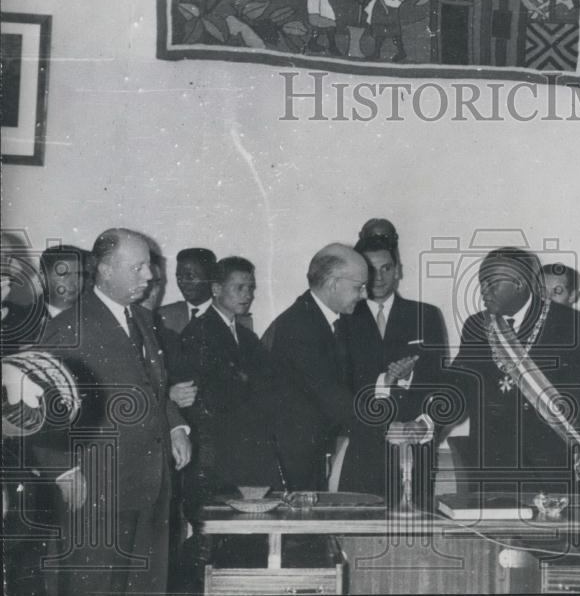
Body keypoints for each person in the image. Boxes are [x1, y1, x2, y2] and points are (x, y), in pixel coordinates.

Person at [29, 228, 191, 595]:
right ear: (104, 270)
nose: (149, 277)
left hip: (149, 485)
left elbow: (153, 387)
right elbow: (34, 405)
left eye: (148, 266)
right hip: (97, 490)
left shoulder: (142, 319)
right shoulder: (70, 328)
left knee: (145, 587)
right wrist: (63, 470)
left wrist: (176, 427)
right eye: (137, 268)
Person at [448, 247, 580, 497]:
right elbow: (458, 385)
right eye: (482, 283)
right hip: (494, 466)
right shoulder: (477, 326)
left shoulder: (570, 323)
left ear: (519, 284)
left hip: (552, 467)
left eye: (491, 283)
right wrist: (427, 419)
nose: (483, 290)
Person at [174, 256, 283, 590]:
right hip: (215, 459)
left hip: (242, 456)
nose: (247, 294)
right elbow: (210, 402)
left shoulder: (244, 336)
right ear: (217, 289)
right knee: (213, 549)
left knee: (239, 546)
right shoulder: (200, 332)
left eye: (251, 287)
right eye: (239, 287)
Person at [339, 235, 449, 507]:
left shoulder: (426, 315)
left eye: (386, 268)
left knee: (415, 536)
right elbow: (340, 386)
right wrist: (384, 382)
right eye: (370, 270)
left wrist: (410, 379)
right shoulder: (343, 319)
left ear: (398, 269)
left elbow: (440, 384)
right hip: (363, 449)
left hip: (415, 448)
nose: (378, 277)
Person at [263, 243, 368, 491]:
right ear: (333, 283)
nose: (364, 295)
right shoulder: (300, 327)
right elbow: (332, 396)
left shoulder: (324, 320)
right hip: (291, 458)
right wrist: (388, 425)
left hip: (310, 450)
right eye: (359, 287)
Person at [158, 247, 217, 334]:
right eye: (179, 277)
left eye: (190, 276)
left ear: (211, 276)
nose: (182, 283)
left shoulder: (228, 315)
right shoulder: (162, 317)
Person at [542, 262, 580, 335]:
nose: (547, 298)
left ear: (572, 296)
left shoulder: (579, 332)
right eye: (542, 290)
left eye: (557, 291)